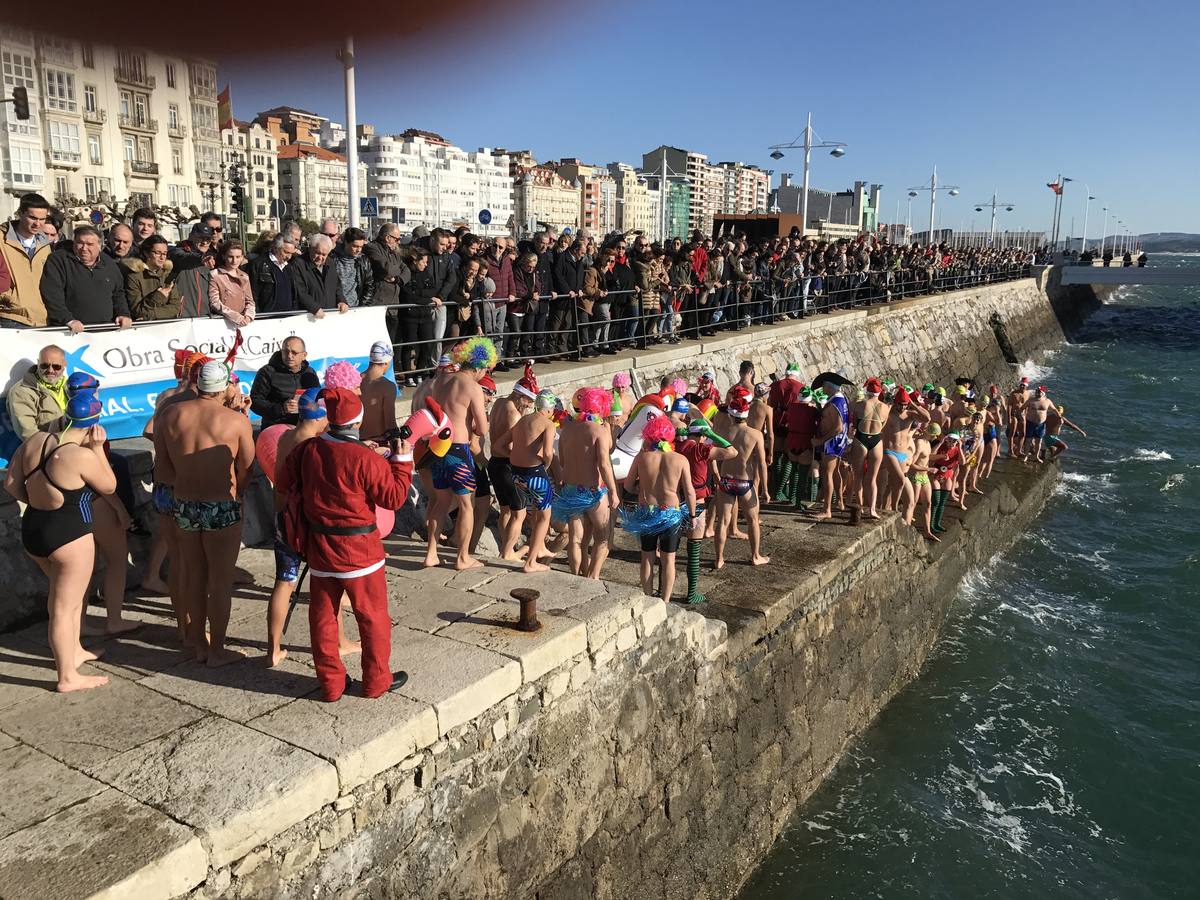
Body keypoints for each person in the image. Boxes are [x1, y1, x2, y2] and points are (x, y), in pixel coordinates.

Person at [277, 387, 414, 701]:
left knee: (323, 618)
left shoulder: (307, 449)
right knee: (373, 617)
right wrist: (402, 461)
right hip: (359, 551)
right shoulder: (364, 458)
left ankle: (331, 684)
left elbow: (284, 483)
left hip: (320, 549)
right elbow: (393, 497)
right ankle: (377, 681)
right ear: (357, 420)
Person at [3, 392, 116, 691]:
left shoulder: (37, 440)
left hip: (34, 529)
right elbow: (109, 485)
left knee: (67, 599)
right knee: (64, 607)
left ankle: (75, 650)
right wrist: (97, 449)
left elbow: (11, 482)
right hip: (69, 536)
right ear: (94, 424)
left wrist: (41, 502)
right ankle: (67, 676)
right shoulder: (79, 455)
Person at [154, 361, 255, 666]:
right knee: (220, 582)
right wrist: (237, 492)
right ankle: (217, 651)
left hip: (184, 503)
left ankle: (197, 642)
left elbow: (163, 468)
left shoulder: (170, 414)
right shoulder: (235, 421)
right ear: (225, 387)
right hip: (221, 505)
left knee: (193, 575)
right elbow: (247, 467)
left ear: (198, 384)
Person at [263, 388, 354, 668]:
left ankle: (273, 650)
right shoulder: (316, 444)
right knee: (330, 583)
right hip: (312, 523)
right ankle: (340, 642)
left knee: (284, 581)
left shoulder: (287, 436)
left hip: (284, 518)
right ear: (321, 416)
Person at [426, 337, 494, 571]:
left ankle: (431, 553)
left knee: (440, 502)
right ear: (476, 366)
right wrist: (473, 426)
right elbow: (483, 428)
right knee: (467, 505)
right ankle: (463, 557)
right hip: (458, 449)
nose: (483, 374)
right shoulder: (472, 387)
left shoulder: (440, 382)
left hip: (438, 447)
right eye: (484, 369)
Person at [622, 415, 696, 602]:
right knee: (668, 559)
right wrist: (693, 516)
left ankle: (648, 598)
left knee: (647, 557)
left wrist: (642, 488)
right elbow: (689, 491)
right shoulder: (680, 459)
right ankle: (665, 600)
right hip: (671, 513)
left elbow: (628, 487)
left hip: (648, 511)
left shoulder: (642, 458)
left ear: (650, 434)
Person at [551, 388, 619, 579]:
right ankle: (593, 576)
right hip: (594, 491)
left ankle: (575, 576)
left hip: (571, 490)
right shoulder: (600, 430)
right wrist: (613, 491)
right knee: (603, 536)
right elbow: (604, 465)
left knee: (576, 540)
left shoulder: (567, 430)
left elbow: (562, 462)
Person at [499, 389, 557, 574]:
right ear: (549, 408)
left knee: (531, 514)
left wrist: (515, 457)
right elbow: (548, 453)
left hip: (516, 475)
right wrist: (546, 465)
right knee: (544, 517)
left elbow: (497, 445)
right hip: (535, 475)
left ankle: (537, 548)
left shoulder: (523, 420)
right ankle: (531, 561)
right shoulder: (548, 424)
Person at [713, 395, 770, 569]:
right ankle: (755, 556)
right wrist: (765, 489)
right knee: (753, 520)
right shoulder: (755, 434)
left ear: (731, 414)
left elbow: (711, 454)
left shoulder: (724, 432)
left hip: (726, 481)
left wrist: (715, 474)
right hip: (745, 482)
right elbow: (762, 463)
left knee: (722, 521)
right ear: (747, 415)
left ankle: (719, 559)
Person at [488, 363, 538, 560]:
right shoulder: (514, 413)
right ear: (521, 395)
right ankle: (508, 553)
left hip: (495, 463)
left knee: (505, 511)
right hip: (508, 465)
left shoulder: (499, 403)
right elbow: (513, 445)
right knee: (520, 512)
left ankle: (505, 548)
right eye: (528, 401)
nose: (529, 406)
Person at [40, 226, 131, 332]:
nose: (84, 248)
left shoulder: (109, 263)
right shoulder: (59, 260)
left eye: (89, 244)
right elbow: (52, 294)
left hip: (106, 331)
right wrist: (68, 320)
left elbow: (118, 293)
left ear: (100, 246)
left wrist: (123, 314)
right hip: (70, 331)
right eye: (80, 243)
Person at [1, 192, 53, 328]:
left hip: (40, 318)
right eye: (33, 218)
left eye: (43, 219)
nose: (38, 224)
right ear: (20, 213)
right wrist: (8, 298)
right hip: (9, 317)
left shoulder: (45, 244)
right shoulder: (2, 239)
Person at [805, 374, 852, 521]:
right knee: (835, 471)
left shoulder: (834, 403)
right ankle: (839, 502)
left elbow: (837, 427)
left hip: (832, 442)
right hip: (839, 441)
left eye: (824, 385)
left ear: (830, 387)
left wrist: (820, 441)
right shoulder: (841, 399)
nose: (822, 388)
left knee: (827, 474)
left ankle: (827, 509)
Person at [250, 336, 320, 429]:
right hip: (276, 428)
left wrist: (311, 405)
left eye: (294, 352)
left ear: (304, 355)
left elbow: (317, 399)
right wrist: (281, 409)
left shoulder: (310, 372)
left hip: (304, 428)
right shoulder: (267, 372)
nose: (289, 356)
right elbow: (254, 401)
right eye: (286, 352)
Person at [847, 377, 889, 522]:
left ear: (868, 391)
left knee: (858, 477)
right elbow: (883, 426)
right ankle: (872, 509)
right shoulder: (886, 407)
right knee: (872, 478)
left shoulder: (860, 405)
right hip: (876, 440)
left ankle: (860, 507)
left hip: (861, 439)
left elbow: (851, 416)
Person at [6, 344, 69, 439]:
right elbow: (28, 435)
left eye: (56, 367)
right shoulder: (22, 391)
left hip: (75, 439)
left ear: (64, 365)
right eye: (44, 366)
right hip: (49, 447)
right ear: (38, 363)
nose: (50, 370)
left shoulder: (70, 384)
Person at [398, 247, 442, 384]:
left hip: (425, 315)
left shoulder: (427, 274)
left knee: (427, 345)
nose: (426, 264)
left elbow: (433, 289)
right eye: (424, 261)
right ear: (416, 261)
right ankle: (408, 375)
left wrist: (422, 294)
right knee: (409, 344)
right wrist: (428, 298)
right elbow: (409, 296)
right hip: (410, 315)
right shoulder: (407, 273)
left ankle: (420, 372)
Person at [122, 235, 182, 321]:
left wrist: (150, 315)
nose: (162, 257)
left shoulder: (167, 274)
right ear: (146, 253)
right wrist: (158, 296)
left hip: (166, 327)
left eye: (164, 254)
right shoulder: (134, 276)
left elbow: (175, 307)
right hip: (142, 329)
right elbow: (137, 310)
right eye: (157, 253)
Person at [293, 235, 348, 317]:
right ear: (310, 248)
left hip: (330, 315)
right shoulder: (298, 264)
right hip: (308, 317)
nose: (320, 257)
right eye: (317, 253)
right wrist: (314, 307)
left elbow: (337, 287)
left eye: (324, 255)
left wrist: (341, 301)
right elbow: (299, 292)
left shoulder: (331, 263)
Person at [245, 233, 296, 314]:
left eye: (291, 253)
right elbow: (252, 294)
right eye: (286, 252)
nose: (289, 257)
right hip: (267, 318)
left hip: (287, 317)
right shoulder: (258, 265)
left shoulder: (289, 267)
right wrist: (258, 315)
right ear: (276, 248)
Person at [208, 241, 255, 327]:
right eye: (230, 257)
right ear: (224, 256)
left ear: (242, 257)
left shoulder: (244, 276)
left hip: (243, 323)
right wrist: (236, 317)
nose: (234, 261)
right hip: (223, 323)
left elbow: (250, 301)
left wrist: (248, 316)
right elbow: (215, 302)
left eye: (238, 257)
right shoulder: (215, 275)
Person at [360, 341, 398, 442]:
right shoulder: (388, 386)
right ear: (386, 362)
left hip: (357, 441)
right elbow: (390, 422)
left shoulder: (355, 380)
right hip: (377, 442)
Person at [909, 422, 940, 542]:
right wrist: (929, 469)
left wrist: (941, 457)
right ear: (931, 433)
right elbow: (912, 464)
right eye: (935, 435)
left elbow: (927, 457)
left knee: (928, 503)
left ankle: (927, 531)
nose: (936, 438)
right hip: (916, 476)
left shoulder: (927, 443)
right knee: (913, 503)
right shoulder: (919, 443)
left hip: (925, 477)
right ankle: (908, 526)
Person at [332, 226, 375, 308]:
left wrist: (363, 306)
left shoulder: (363, 260)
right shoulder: (332, 258)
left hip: (356, 309)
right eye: (355, 246)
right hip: (335, 309)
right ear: (346, 243)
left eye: (361, 247)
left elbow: (369, 285)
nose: (358, 250)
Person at [1021, 385, 1055, 462]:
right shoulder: (1031, 400)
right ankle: (1026, 456)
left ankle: (1036, 456)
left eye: (1039, 391)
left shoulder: (1047, 401)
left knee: (1038, 441)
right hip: (1030, 422)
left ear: (1043, 393)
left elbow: (1054, 409)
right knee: (1028, 440)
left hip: (1041, 424)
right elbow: (1022, 408)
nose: (1037, 393)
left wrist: (1059, 416)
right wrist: (1021, 417)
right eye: (1037, 391)